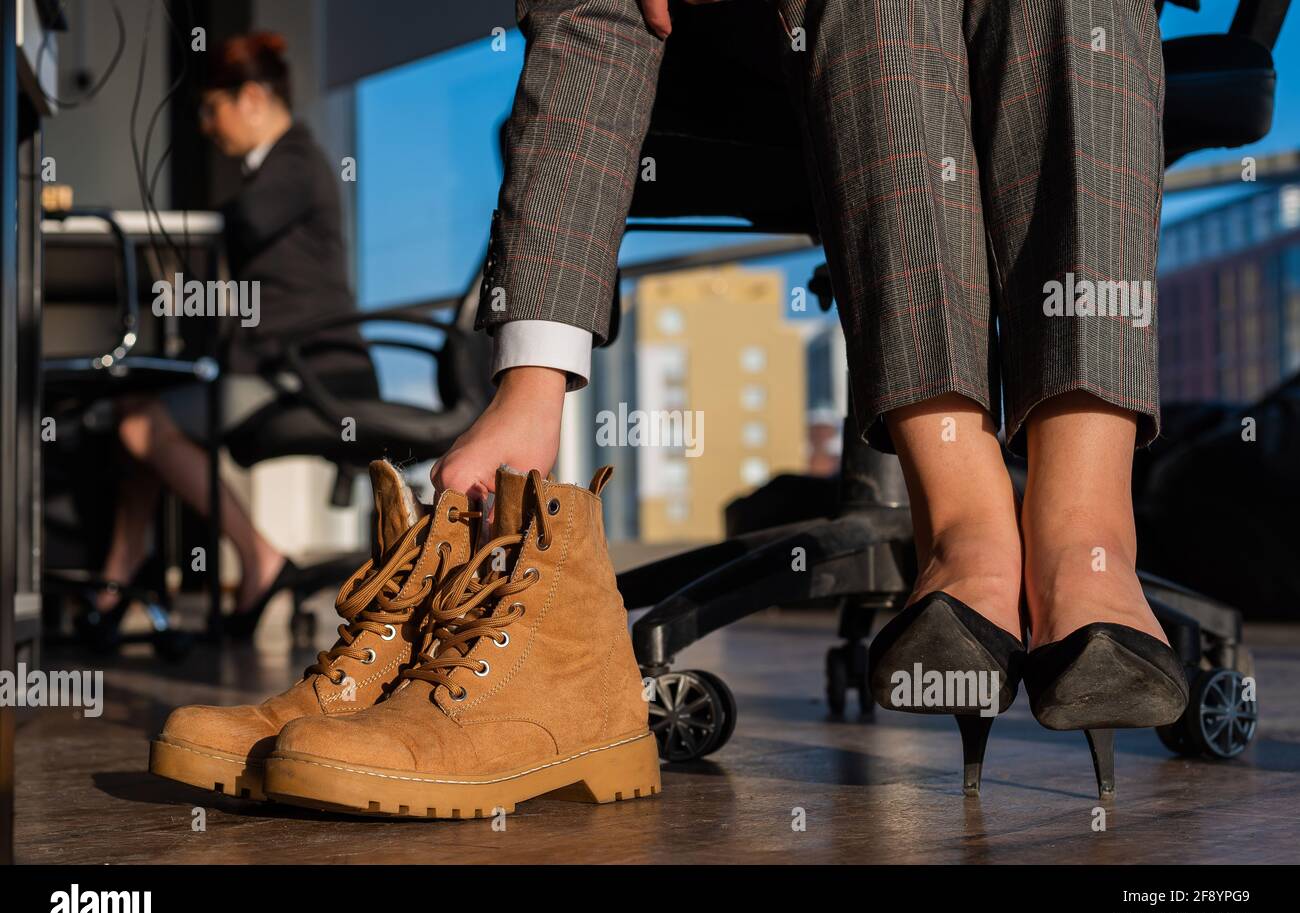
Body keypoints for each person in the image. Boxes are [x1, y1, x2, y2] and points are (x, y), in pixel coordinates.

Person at [431, 0, 1188, 796]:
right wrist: (532, 381)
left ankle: (1088, 537)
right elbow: (588, 17)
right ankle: (964, 532)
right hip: (775, 55)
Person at [95, 32, 376, 639]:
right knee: (138, 410)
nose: (204, 124)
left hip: (310, 372)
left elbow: (244, 221)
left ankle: (257, 556)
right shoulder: (280, 166)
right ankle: (118, 578)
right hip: (286, 366)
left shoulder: (295, 161)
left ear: (251, 97)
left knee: (140, 424)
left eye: (210, 107)